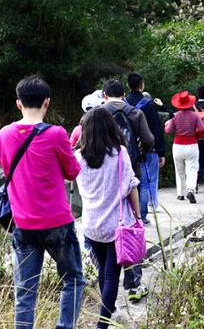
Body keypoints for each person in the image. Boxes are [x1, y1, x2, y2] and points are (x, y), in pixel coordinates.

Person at [0, 75, 85, 329]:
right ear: (47, 103)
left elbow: (5, 168)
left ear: (18, 103)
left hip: (23, 224)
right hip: (57, 223)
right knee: (73, 279)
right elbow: (73, 172)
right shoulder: (57, 134)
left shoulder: (3, 135)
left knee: (24, 291)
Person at [74, 107, 141, 329]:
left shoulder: (78, 157)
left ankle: (107, 315)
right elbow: (132, 186)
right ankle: (102, 324)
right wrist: (138, 217)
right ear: (110, 127)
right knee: (112, 276)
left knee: (104, 270)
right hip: (117, 225)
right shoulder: (120, 153)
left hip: (92, 225)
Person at [101, 79, 153, 302]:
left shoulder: (97, 113)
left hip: (102, 174)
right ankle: (133, 285)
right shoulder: (135, 112)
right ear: (123, 94)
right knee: (130, 227)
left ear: (104, 94)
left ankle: (105, 285)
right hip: (129, 169)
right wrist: (144, 151)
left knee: (106, 230)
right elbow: (148, 139)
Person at [126, 73, 165, 225]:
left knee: (130, 182)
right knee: (145, 182)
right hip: (147, 149)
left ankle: (130, 215)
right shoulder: (148, 104)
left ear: (128, 86)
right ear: (142, 85)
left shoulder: (124, 103)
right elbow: (156, 129)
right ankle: (142, 215)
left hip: (128, 149)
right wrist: (160, 151)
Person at [165, 90, 204, 203]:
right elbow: (202, 129)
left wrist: (168, 125)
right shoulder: (195, 116)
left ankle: (180, 194)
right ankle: (190, 190)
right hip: (192, 145)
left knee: (179, 170)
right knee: (192, 169)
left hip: (178, 145)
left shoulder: (175, 116)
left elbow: (168, 131)